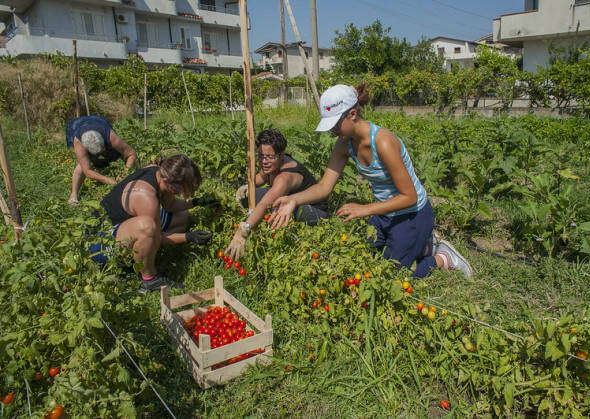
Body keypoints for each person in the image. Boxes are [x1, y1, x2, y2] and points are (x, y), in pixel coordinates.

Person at [269, 84, 472, 278]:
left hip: (411, 214)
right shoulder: (344, 145)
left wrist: (364, 209)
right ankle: (422, 246)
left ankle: (443, 258)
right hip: (383, 214)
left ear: (353, 114)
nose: (332, 131)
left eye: (335, 124)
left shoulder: (382, 142)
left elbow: (409, 197)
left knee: (393, 276)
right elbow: (323, 187)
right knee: (365, 262)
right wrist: (294, 200)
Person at [92, 154, 216, 293]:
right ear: (167, 181)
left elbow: (171, 205)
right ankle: (149, 279)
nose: (180, 193)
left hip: (126, 226)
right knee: (147, 227)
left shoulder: (160, 173)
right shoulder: (145, 196)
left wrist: (196, 202)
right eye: (179, 190)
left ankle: (143, 255)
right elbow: (157, 236)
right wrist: (189, 237)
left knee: (183, 217)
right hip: (99, 243)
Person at [225, 129, 328, 259]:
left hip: (313, 210)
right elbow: (260, 178)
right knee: (248, 198)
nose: (264, 161)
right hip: (286, 199)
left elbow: (264, 204)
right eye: (261, 155)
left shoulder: (284, 178)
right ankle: (256, 218)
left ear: (281, 155)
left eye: (270, 157)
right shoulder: (270, 163)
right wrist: (247, 186)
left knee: (273, 211)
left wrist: (243, 230)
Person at [66, 115, 137, 206]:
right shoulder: (78, 142)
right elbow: (87, 170)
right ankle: (73, 195)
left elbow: (131, 154)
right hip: (77, 126)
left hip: (98, 121)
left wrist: (125, 173)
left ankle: (136, 178)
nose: (101, 154)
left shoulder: (110, 135)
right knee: (81, 164)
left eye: (102, 150)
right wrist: (107, 179)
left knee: (123, 154)